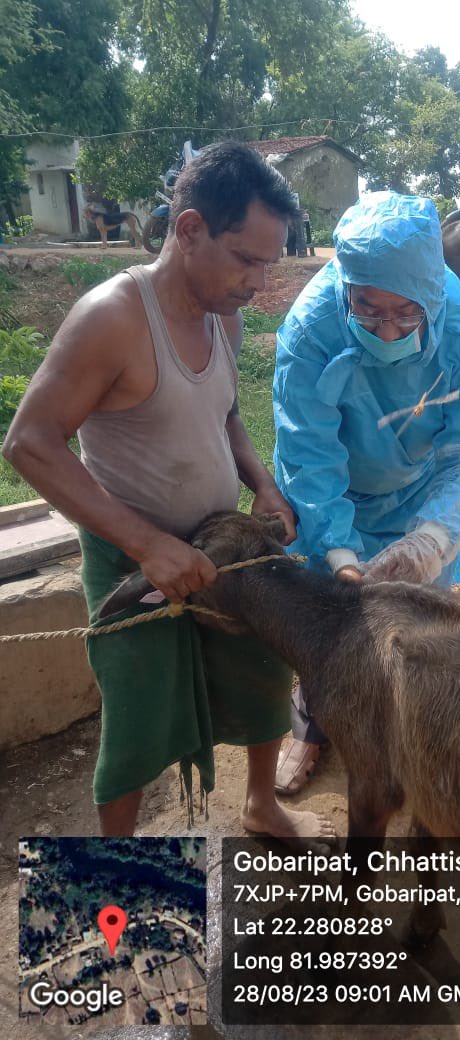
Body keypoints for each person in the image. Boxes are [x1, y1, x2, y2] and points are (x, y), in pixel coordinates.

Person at [3, 141, 334, 842]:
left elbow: (225, 413)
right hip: (133, 559)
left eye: (268, 265)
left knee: (261, 672)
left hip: (222, 543)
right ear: (188, 231)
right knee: (137, 718)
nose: (257, 282)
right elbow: (29, 443)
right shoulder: (113, 318)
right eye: (246, 259)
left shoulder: (224, 313)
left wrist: (264, 485)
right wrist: (147, 544)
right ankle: (118, 869)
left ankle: (261, 805)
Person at [272, 191, 460, 794]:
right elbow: (309, 456)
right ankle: (311, 726)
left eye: (406, 314)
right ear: (346, 288)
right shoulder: (309, 332)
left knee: (423, 618)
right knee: (329, 617)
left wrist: (432, 538)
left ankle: (414, 729)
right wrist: (340, 554)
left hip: (421, 488)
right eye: (367, 309)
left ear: (431, 297)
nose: (386, 328)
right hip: (335, 489)